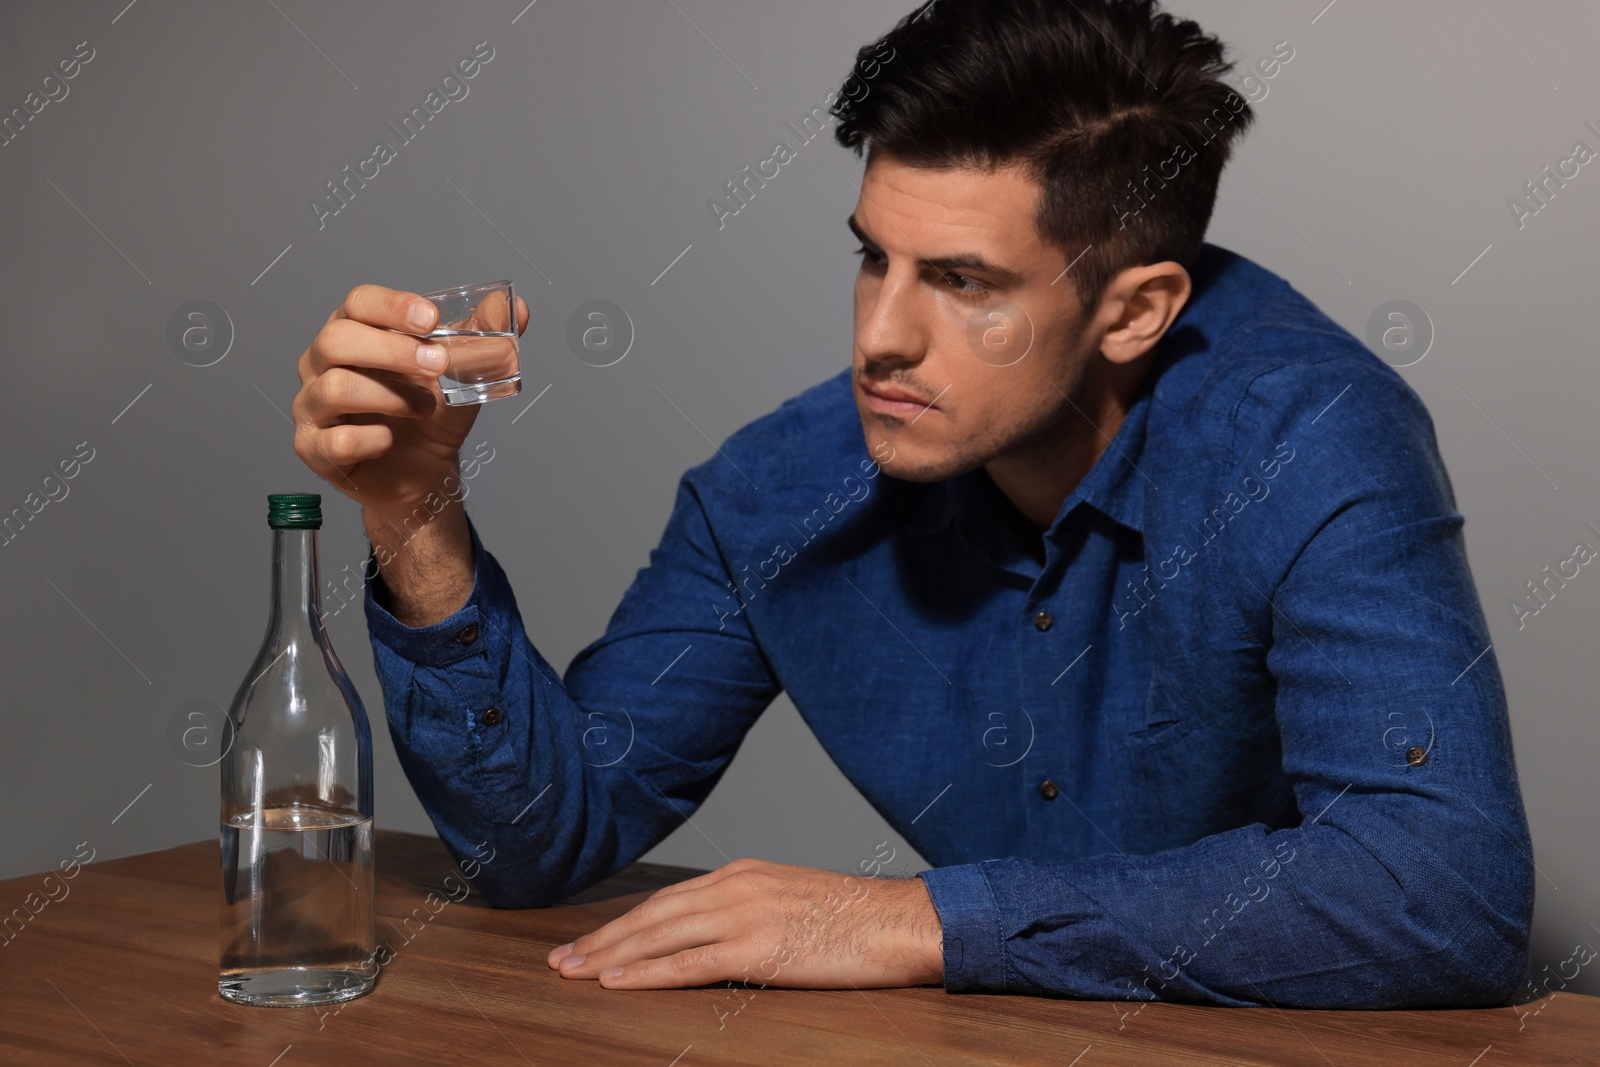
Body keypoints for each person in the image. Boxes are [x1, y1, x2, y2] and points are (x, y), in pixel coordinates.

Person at [290, 0, 1533, 1009]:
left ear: (1136, 309)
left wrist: (908, 916)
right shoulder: (778, 487)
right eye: (871, 257)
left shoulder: (1312, 440)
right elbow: (540, 842)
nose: (881, 337)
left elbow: (1438, 894)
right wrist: (417, 512)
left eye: (962, 280)